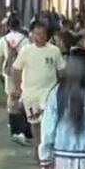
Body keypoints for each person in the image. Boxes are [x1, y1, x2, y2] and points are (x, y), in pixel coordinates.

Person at [11, 24, 65, 161]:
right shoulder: (26, 50)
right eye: (36, 34)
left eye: (42, 34)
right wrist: (17, 88)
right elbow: (16, 69)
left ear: (47, 35)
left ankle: (47, 147)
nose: (39, 37)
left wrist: (63, 87)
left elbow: (61, 71)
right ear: (32, 35)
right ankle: (37, 146)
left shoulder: (54, 51)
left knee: (48, 121)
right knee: (34, 122)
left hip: (49, 92)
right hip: (30, 92)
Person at [0, 18, 31, 146]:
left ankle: (11, 119)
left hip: (9, 70)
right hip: (22, 70)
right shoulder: (25, 40)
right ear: (19, 25)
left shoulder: (3, 39)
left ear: (8, 26)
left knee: (10, 94)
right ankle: (21, 120)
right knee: (22, 95)